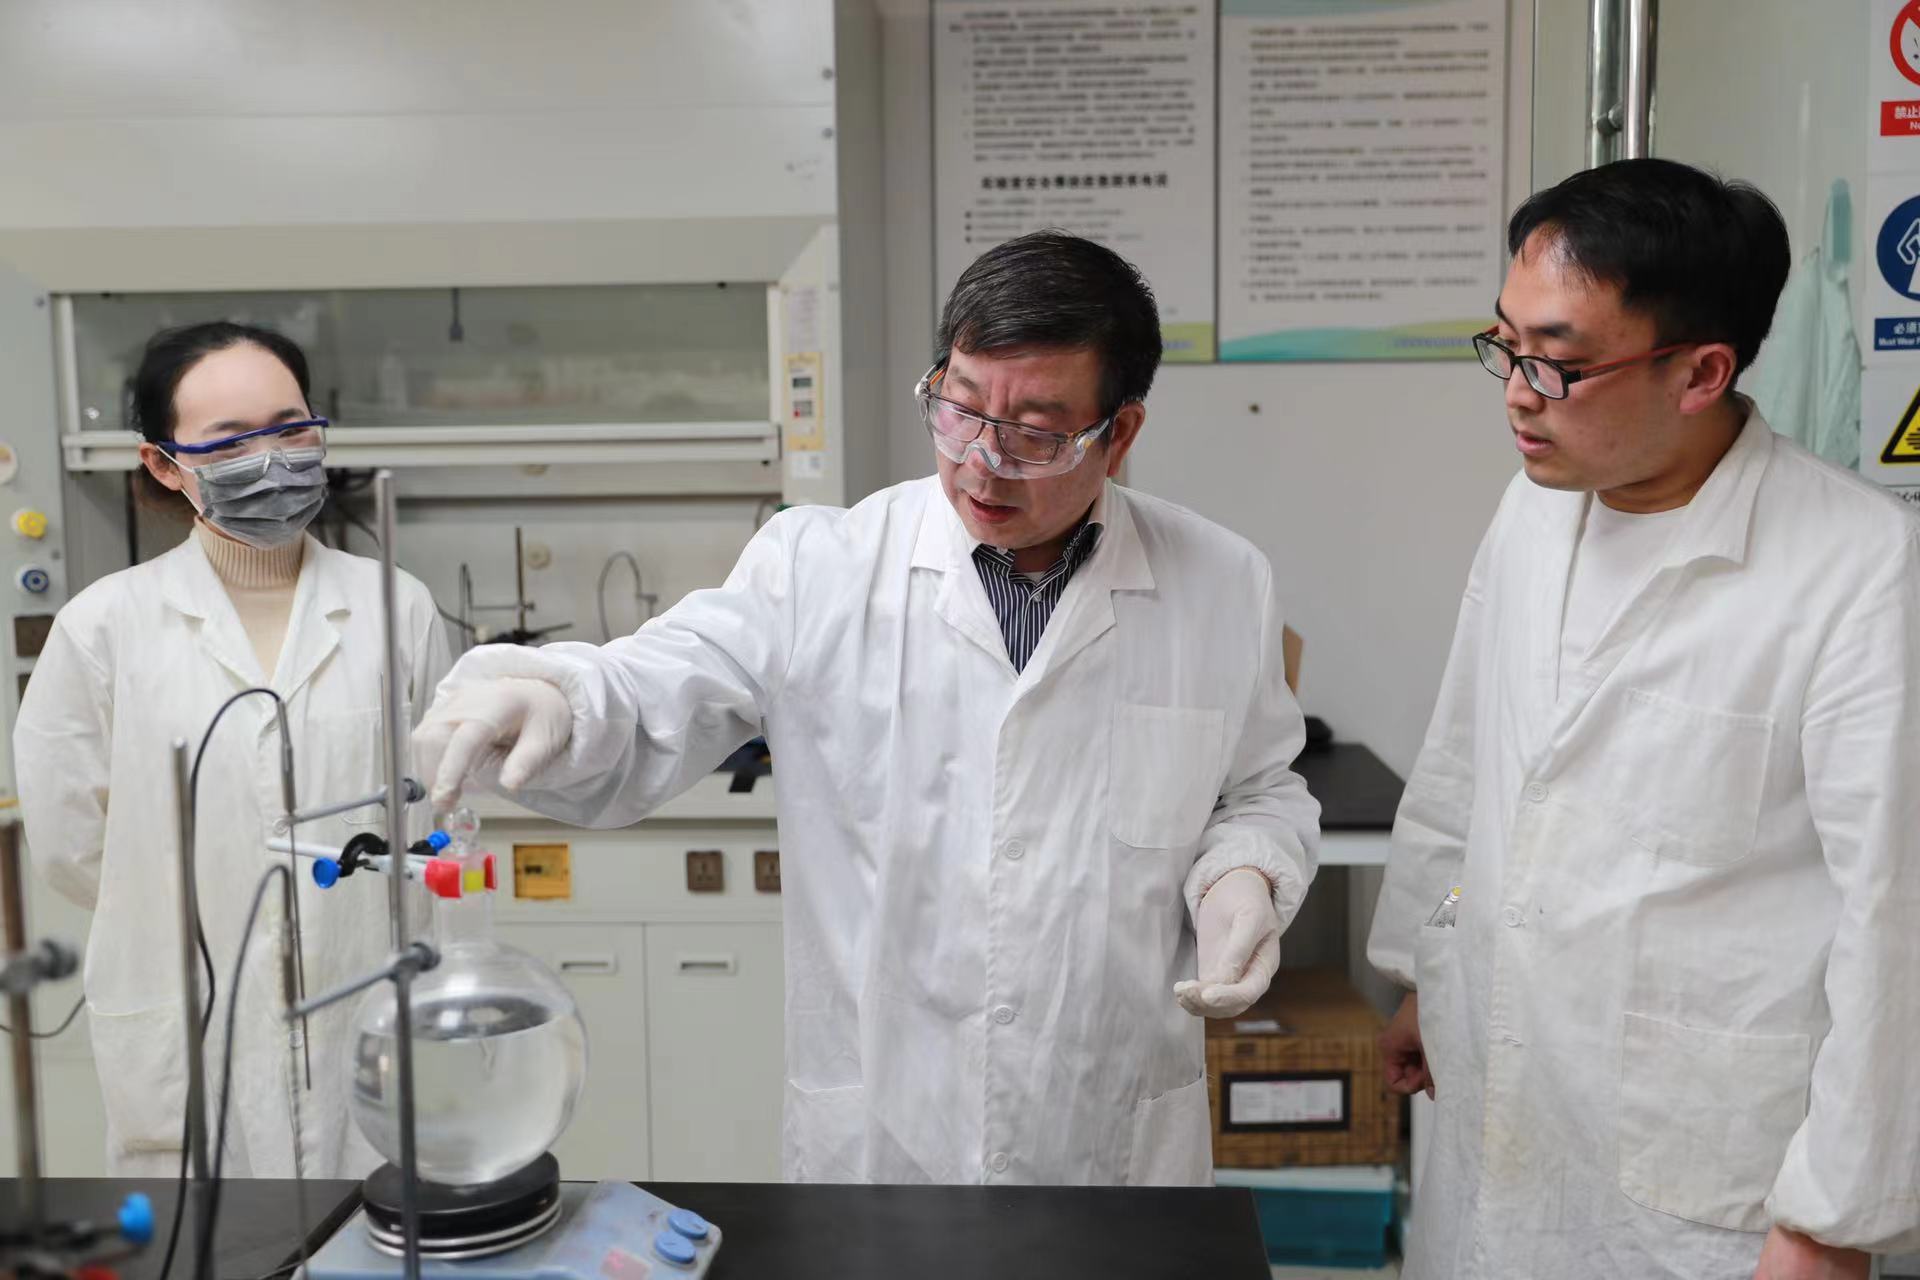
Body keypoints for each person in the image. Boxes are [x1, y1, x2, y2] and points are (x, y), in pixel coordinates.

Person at [414, 230, 1321, 1185]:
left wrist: (1244, 875)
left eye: (1036, 433)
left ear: (1120, 433)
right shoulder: (820, 566)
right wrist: (556, 692)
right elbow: (658, 683)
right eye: (960, 409)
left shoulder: (1223, 583)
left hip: (1111, 1141)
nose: (982, 462)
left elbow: (1258, 790)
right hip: (884, 1148)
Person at [1368, 159, 1920, 1279]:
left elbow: (1896, 914)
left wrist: (1831, 1216)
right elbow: (1468, 754)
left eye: (1558, 362)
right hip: (1507, 1085)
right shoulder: (1535, 508)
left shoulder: (1861, 566)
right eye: (1505, 344)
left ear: (1701, 371)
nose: (1517, 393)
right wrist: (1426, 964)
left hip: (1706, 1169)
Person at [14, 321, 452, 1177]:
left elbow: (431, 810)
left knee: (368, 1225)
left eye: (290, 428)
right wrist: (200, 903)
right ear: (163, 464)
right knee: (211, 1230)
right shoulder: (103, 626)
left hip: (360, 1002)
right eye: (229, 442)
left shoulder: (395, 605)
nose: (272, 460)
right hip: (191, 1015)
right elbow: (71, 843)